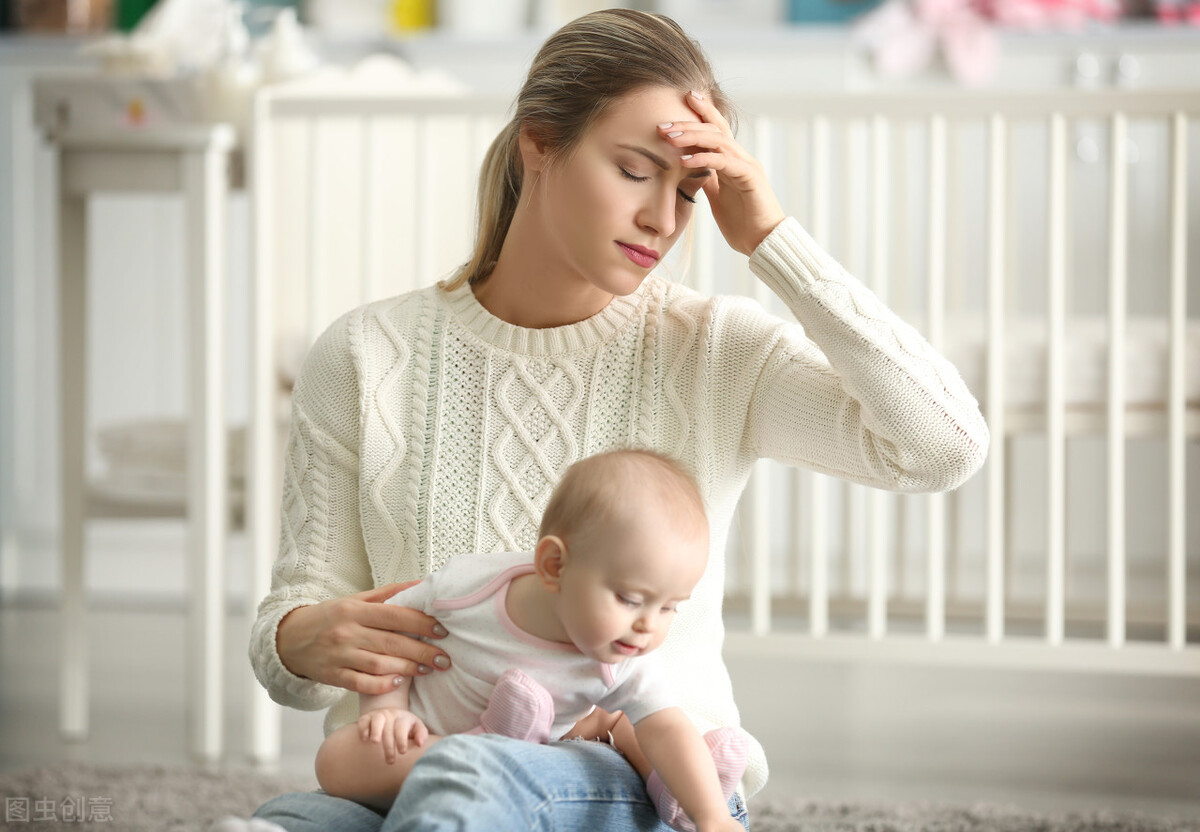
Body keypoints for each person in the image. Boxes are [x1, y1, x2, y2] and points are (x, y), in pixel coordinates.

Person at [238, 8, 989, 832]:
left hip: (641, 780)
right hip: (404, 776)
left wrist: (773, 239)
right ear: (540, 142)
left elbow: (941, 447)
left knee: (471, 785)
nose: (664, 221)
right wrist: (302, 641)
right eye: (635, 171)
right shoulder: (364, 355)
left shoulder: (715, 350)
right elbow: (298, 635)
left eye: (688, 189)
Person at [313, 449, 749, 832]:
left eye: (670, 607)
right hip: (419, 748)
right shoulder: (468, 588)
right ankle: (493, 748)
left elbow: (666, 726)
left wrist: (713, 816)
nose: (648, 626)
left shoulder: (622, 657)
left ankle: (673, 793)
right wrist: (387, 710)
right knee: (335, 760)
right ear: (554, 565)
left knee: (631, 731)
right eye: (630, 599)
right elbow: (385, 626)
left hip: (518, 775)